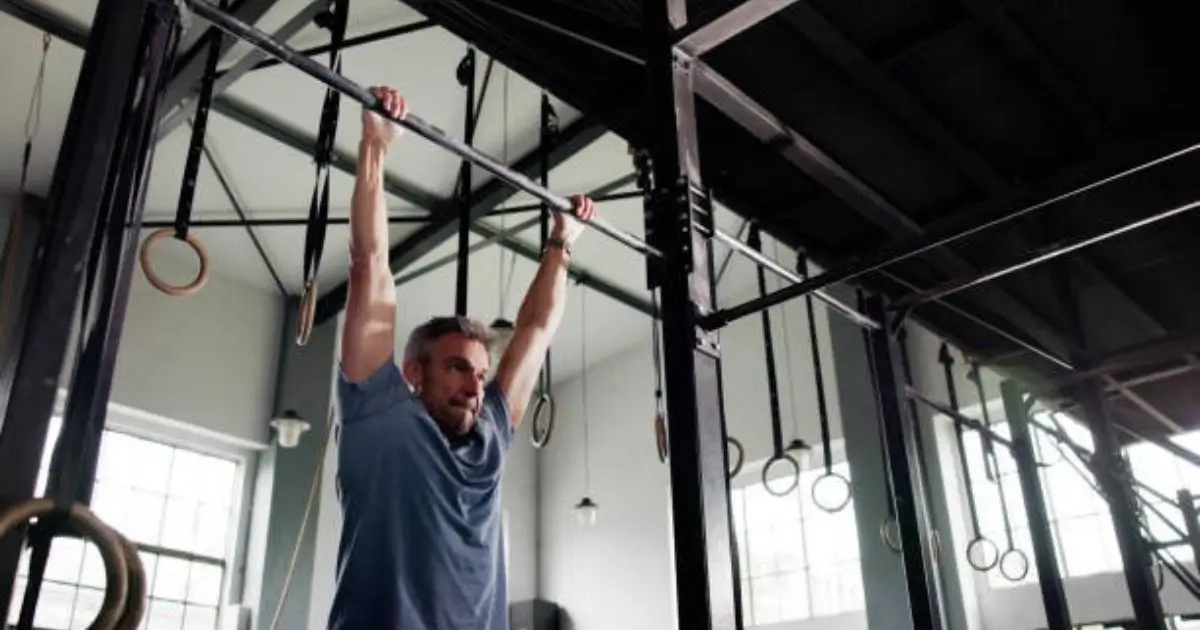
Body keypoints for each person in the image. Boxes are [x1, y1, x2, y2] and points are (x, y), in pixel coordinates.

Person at [328, 85, 595, 630]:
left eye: (479, 373)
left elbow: (537, 329)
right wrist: (375, 145)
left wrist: (562, 243)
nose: (476, 386)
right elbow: (370, 266)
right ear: (412, 373)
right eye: (456, 369)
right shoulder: (379, 416)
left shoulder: (490, 436)